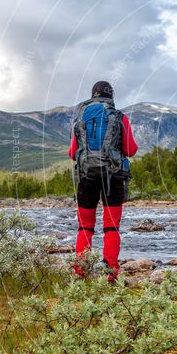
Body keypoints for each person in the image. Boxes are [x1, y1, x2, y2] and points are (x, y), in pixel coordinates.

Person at [68, 80, 138, 280]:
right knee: (111, 227)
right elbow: (130, 150)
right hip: (113, 177)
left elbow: (73, 153)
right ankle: (110, 275)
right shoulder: (119, 118)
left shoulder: (80, 119)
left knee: (84, 226)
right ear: (111, 97)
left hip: (86, 176)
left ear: (93, 96)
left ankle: (81, 273)